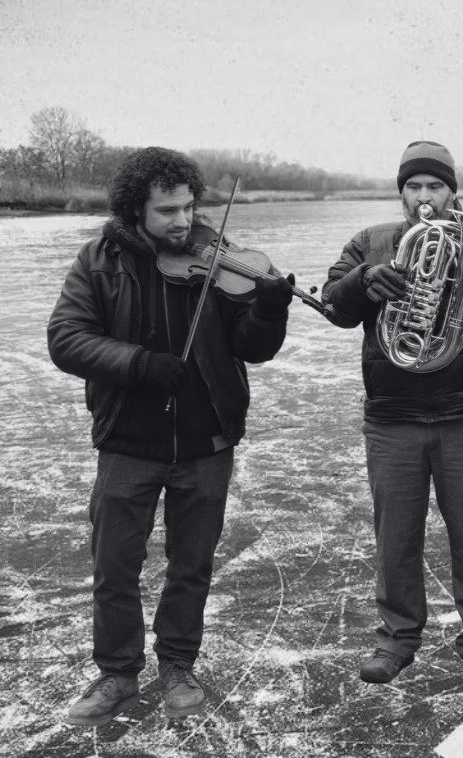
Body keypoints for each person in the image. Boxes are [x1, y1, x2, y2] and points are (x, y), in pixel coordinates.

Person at [47, 147, 293, 726]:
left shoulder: (223, 259)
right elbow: (66, 338)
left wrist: (271, 311)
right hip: (128, 440)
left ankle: (178, 664)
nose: (183, 221)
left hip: (207, 441)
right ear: (136, 211)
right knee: (114, 564)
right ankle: (116, 674)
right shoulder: (100, 260)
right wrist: (138, 363)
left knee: (192, 564)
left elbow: (253, 349)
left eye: (188, 206)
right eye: (166, 211)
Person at [323, 140, 463, 688]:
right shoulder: (371, 241)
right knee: (394, 534)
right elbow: (333, 302)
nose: (425, 198)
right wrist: (363, 283)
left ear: (453, 191)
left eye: (436, 187)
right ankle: (398, 638)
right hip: (393, 413)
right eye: (414, 187)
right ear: (401, 192)